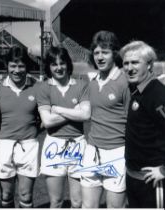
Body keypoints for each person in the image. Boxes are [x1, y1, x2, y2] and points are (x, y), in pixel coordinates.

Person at [36, 46, 91, 208]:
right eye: (54, 64)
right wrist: (75, 111)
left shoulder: (81, 85)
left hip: (78, 145)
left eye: (62, 63)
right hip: (54, 146)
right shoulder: (43, 88)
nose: (59, 68)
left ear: (68, 64)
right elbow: (47, 122)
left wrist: (58, 109)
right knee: (56, 201)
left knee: (77, 202)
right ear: (49, 67)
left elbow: (86, 115)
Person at [80, 30, 129, 208]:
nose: (100, 57)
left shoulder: (125, 81)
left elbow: (134, 121)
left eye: (105, 52)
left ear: (114, 54)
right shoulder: (92, 82)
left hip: (117, 153)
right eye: (96, 52)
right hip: (92, 151)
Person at [120, 40, 165, 208]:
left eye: (135, 62)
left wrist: (163, 170)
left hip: (152, 182)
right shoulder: (138, 91)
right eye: (126, 63)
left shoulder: (157, 94)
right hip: (134, 178)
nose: (129, 68)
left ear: (149, 65)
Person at [0, 46, 40, 208]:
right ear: (7, 66)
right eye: (13, 66)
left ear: (27, 67)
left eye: (21, 66)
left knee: (25, 196)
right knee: (6, 195)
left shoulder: (37, 87)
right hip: (4, 145)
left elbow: (44, 114)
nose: (17, 70)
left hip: (29, 145)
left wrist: (34, 129)